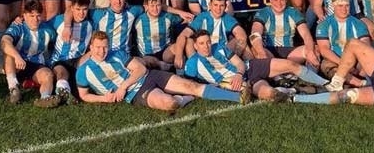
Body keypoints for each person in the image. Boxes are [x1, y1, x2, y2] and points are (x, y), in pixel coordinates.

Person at [76, 31, 250, 112]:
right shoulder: (83, 71)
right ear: (91, 47)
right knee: (170, 104)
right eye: (98, 48)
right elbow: (83, 95)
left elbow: (140, 68)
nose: (102, 51)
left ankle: (239, 97)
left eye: (105, 47)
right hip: (136, 93)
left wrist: (122, 86)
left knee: (193, 86)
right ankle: (184, 98)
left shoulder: (116, 54)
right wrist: (103, 99)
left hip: (149, 76)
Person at [185, 30, 329, 102]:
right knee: (270, 93)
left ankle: (327, 84)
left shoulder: (219, 48)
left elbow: (239, 63)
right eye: (202, 43)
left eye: (208, 42)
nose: (207, 46)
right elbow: (191, 85)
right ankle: (296, 90)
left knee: (289, 64)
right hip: (238, 84)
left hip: (249, 68)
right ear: (196, 46)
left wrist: (239, 73)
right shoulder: (192, 63)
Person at [65, 0, 191, 54]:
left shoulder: (132, 11)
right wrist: (67, 26)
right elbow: (72, 10)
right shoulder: (99, 14)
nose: (118, 1)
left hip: (124, 55)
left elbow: (155, 5)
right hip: (103, 53)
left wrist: (180, 12)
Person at [1, 0, 60, 108]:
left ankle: (45, 98)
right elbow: (5, 41)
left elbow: (55, 46)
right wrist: (17, 56)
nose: (35, 19)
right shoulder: (18, 26)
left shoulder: (48, 30)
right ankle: (14, 89)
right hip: (17, 64)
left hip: (35, 65)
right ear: (24, 15)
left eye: (38, 16)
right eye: (31, 16)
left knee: (48, 75)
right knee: (9, 54)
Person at [249, 0, 319, 67]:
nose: (279, 4)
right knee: (255, 50)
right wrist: (261, 52)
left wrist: (310, 52)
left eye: (282, 0)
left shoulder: (293, 12)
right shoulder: (263, 12)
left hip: (290, 53)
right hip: (269, 51)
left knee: (314, 49)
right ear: (270, 0)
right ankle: (283, 74)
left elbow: (306, 35)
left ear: (286, 0)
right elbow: (255, 34)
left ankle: (310, 77)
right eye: (275, 0)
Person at [175, 0, 255, 61]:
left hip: (223, 53)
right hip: (203, 53)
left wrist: (233, 56)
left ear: (225, 6)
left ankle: (252, 70)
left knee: (241, 41)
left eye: (221, 6)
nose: (218, 9)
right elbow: (183, 35)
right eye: (215, 5)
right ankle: (194, 69)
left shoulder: (227, 18)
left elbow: (241, 35)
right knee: (189, 41)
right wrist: (178, 56)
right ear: (210, 5)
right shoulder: (202, 17)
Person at [315, 0, 370, 87]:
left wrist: (356, 64)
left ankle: (354, 82)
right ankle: (360, 83)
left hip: (356, 60)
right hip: (334, 60)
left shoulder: (358, 23)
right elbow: (324, 50)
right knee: (329, 68)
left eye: (347, 6)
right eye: (340, 6)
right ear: (333, 6)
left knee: (367, 64)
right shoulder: (324, 24)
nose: (344, 9)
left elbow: (366, 45)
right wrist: (345, 65)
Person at [47, 0, 94, 105]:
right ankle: (65, 93)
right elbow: (40, 25)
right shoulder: (59, 20)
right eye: (78, 9)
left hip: (78, 60)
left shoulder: (90, 24)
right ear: (72, 8)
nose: (81, 13)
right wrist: (20, 20)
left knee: (95, 52)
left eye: (84, 9)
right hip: (60, 60)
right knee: (62, 73)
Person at [134, 0, 188, 70]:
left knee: (178, 48)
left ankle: (183, 74)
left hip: (165, 51)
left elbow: (185, 19)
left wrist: (184, 15)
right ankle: (165, 67)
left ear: (162, 6)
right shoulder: (138, 20)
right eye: (152, 6)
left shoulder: (167, 17)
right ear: (146, 7)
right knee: (149, 60)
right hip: (147, 55)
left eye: (158, 5)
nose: (155, 9)